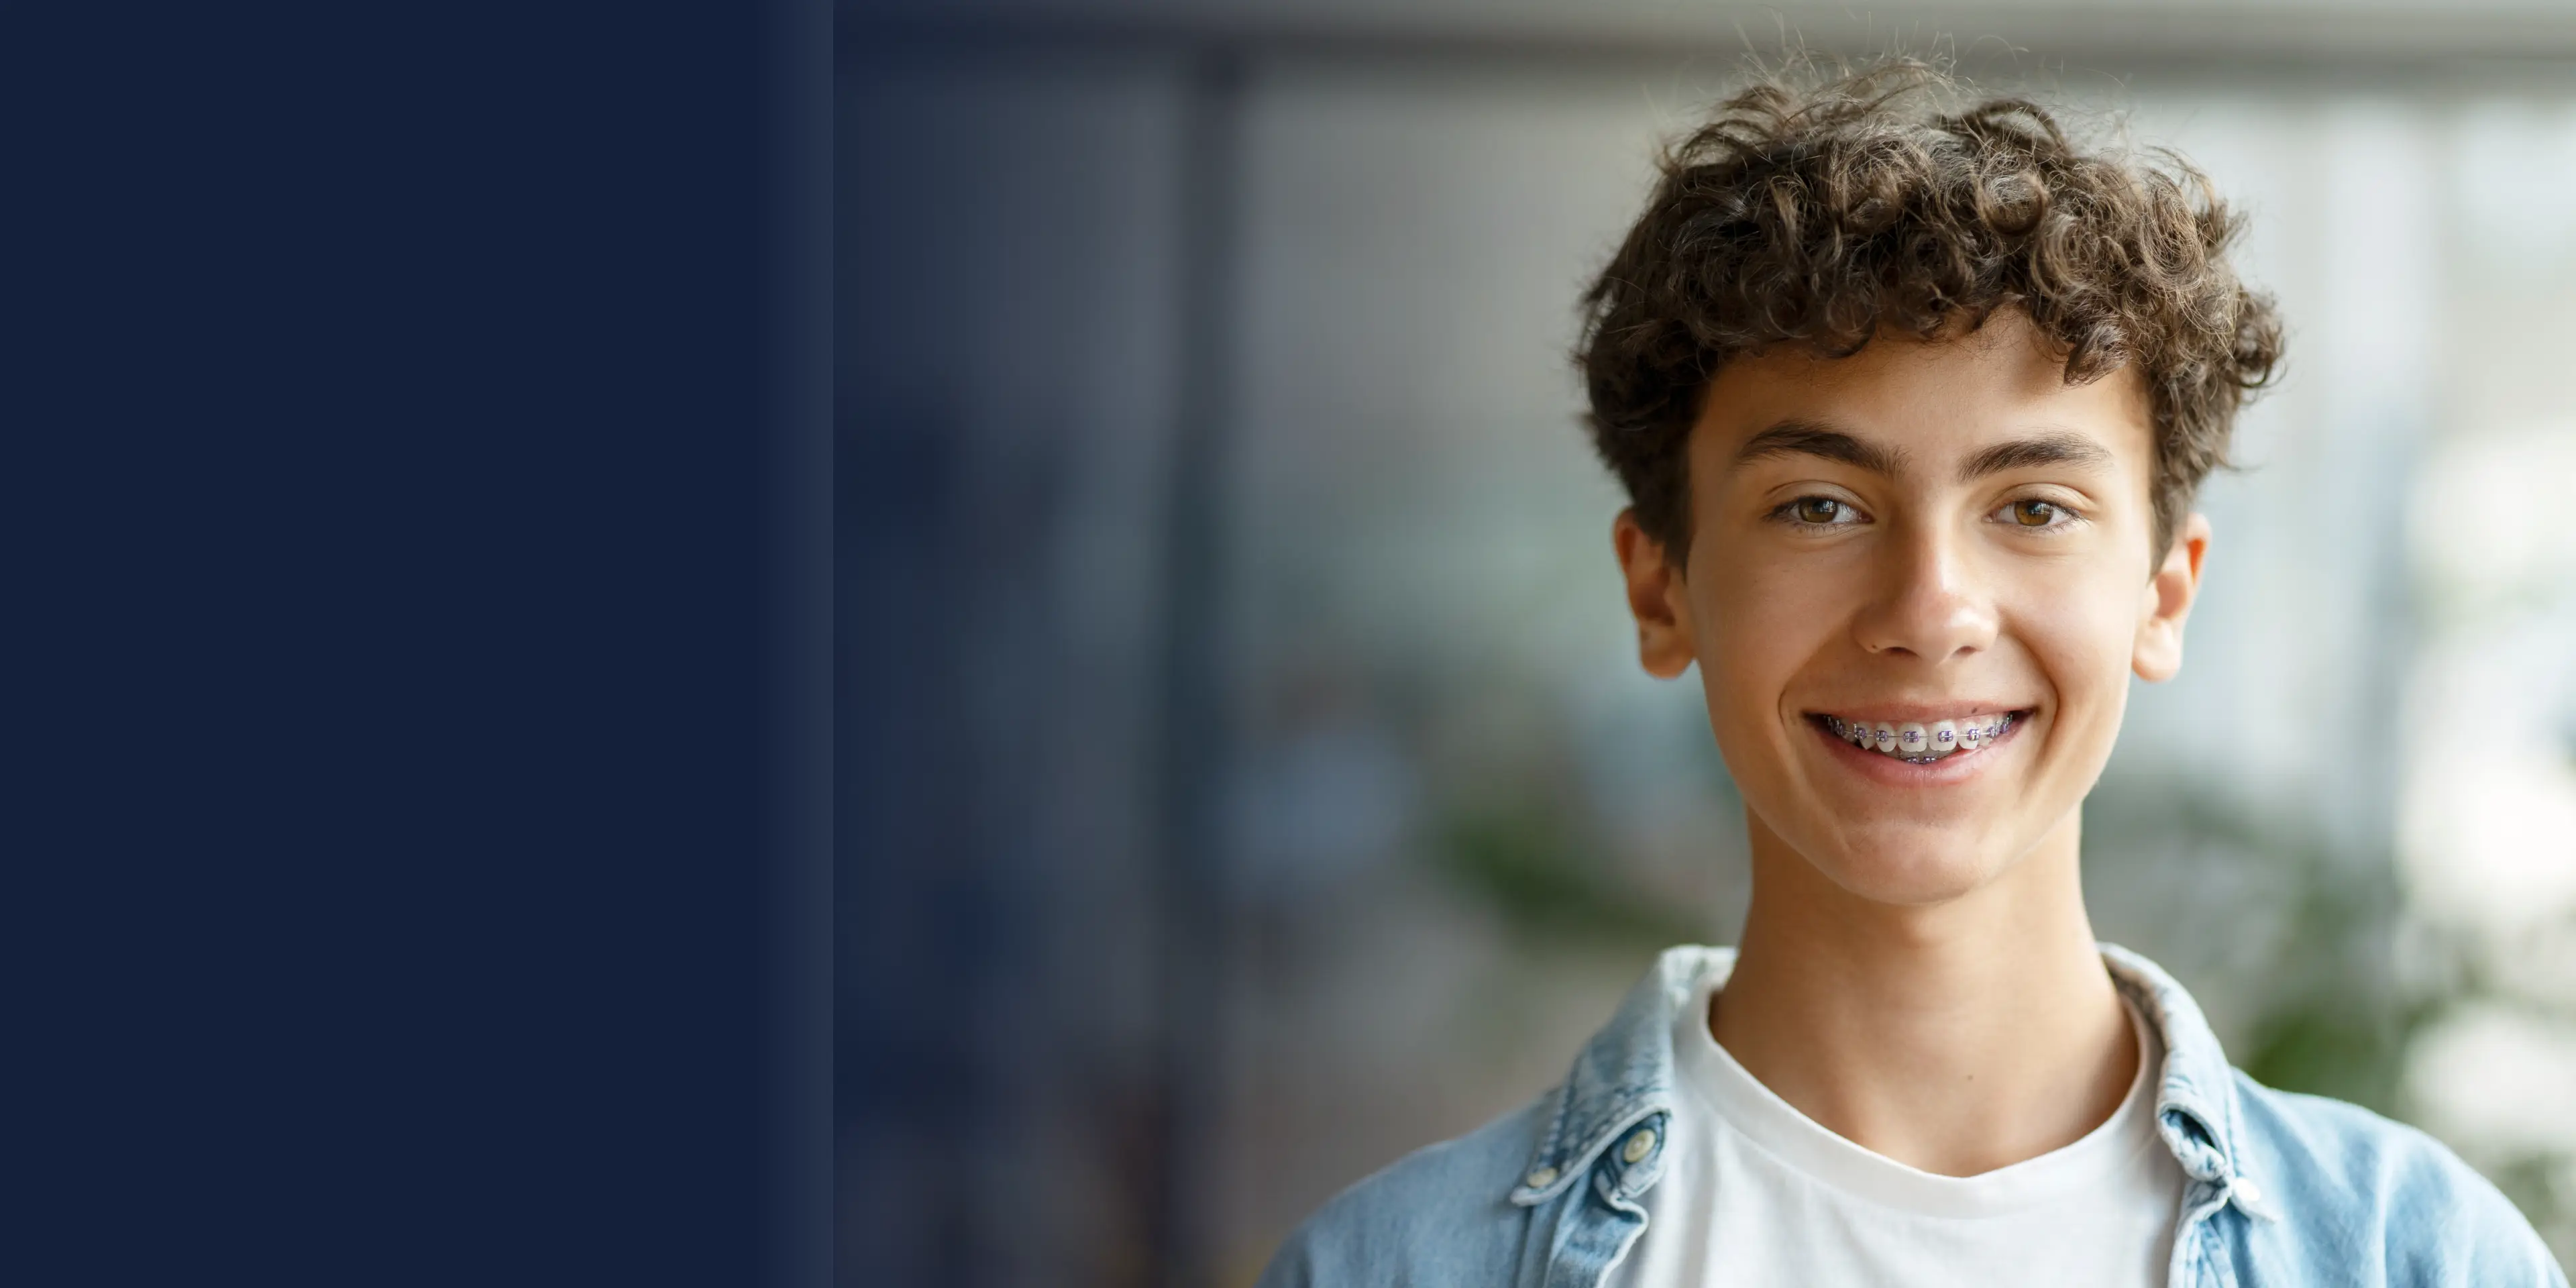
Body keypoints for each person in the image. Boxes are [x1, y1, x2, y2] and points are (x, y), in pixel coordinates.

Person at [1255, 58, 2567, 1287]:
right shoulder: (1390, 1266)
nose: (1931, 613)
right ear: (1662, 586)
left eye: (2035, 507)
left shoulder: (2419, 1255)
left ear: (2164, 595)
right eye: (1821, 506)